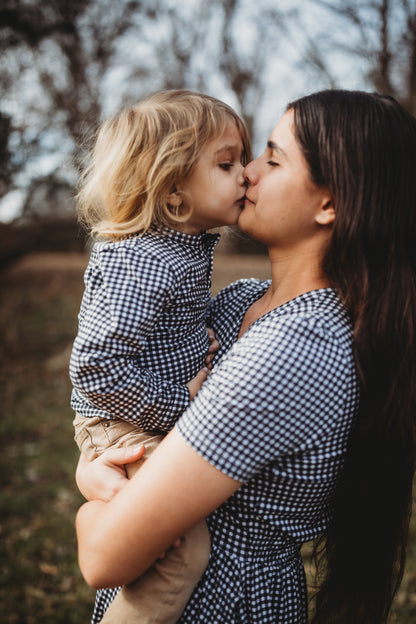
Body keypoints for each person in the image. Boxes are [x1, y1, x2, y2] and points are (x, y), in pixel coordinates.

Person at [75, 90, 416, 624]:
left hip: (221, 603)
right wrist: (96, 460)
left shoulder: (296, 349)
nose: (249, 174)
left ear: (331, 204)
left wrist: (90, 510)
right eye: (244, 159)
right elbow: (124, 394)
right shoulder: (239, 303)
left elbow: (103, 556)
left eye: (272, 160)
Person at [69, 89, 251, 624]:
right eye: (226, 163)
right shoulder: (148, 261)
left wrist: (195, 338)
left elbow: (158, 331)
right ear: (174, 192)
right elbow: (97, 367)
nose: (245, 174)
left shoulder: (177, 252)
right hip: (126, 422)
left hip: (141, 412)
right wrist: (181, 402)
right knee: (182, 553)